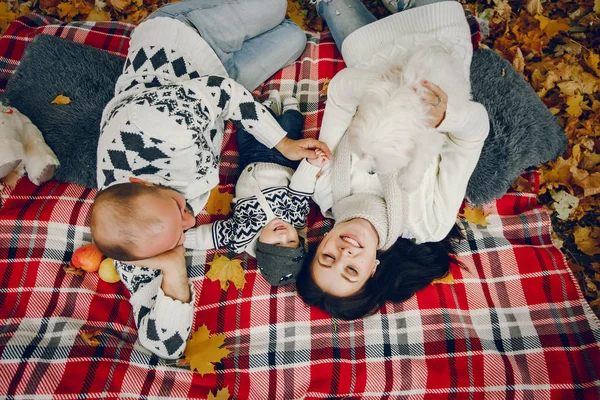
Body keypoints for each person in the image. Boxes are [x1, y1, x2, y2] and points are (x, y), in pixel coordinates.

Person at [90, 0, 331, 359]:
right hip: (215, 91)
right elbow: (164, 346)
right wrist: (172, 268)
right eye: (179, 233)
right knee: (294, 37)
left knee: (276, 6)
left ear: (141, 182)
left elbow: (222, 92)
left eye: (178, 206)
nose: (191, 220)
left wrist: (286, 144)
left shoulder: (155, 128)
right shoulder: (133, 237)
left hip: (185, 41)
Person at [296, 0, 490, 320]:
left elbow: (342, 94)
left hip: (370, 51)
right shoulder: (428, 224)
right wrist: (443, 117)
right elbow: (474, 132)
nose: (344, 253)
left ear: (321, 242)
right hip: (438, 41)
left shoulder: (325, 189)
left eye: (328, 258)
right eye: (351, 270)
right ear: (373, 268)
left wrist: (391, 89)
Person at [185, 92, 329, 286]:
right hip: (283, 159)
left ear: (260, 249)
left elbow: (210, 237)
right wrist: (312, 165)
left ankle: (268, 106)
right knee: (290, 124)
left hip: (250, 158)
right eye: (292, 242)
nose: (284, 235)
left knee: (246, 130)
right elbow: (300, 187)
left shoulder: (241, 235)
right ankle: (290, 106)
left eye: (277, 244)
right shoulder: (294, 217)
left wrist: (181, 239)